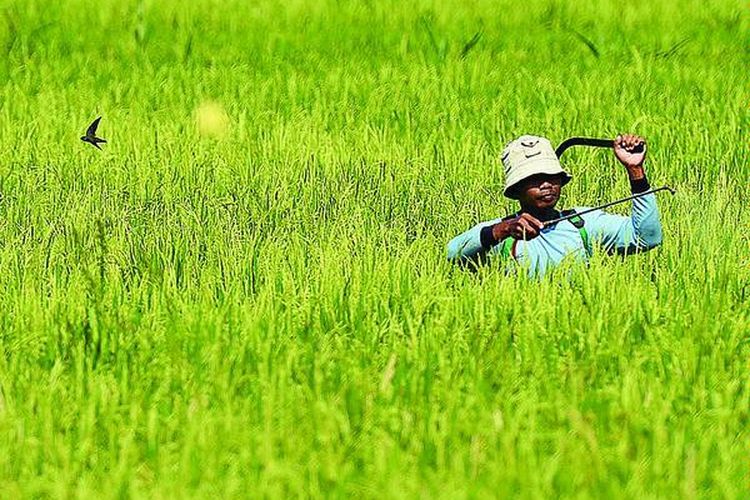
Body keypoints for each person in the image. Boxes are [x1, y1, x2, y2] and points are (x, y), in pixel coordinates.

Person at [446, 134, 662, 277]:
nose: (546, 184)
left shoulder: (583, 223)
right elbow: (452, 254)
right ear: (516, 189)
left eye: (551, 175)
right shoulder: (500, 233)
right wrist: (501, 231)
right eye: (535, 178)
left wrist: (636, 171)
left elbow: (647, 238)